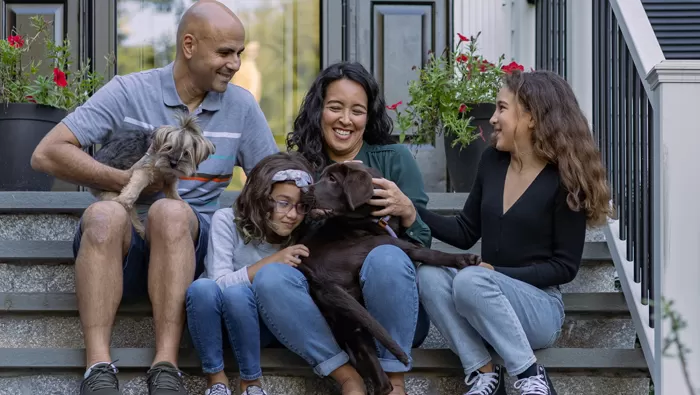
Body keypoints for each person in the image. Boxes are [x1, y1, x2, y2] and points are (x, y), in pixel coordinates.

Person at [29, 2, 278, 394]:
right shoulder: (130, 91)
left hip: (188, 249)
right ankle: (97, 367)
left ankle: (166, 367)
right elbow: (47, 152)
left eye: (239, 54)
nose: (234, 64)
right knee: (103, 214)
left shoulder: (242, 106)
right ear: (189, 45)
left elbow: (273, 181)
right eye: (225, 53)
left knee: (170, 212)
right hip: (122, 248)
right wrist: (127, 179)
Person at [416, 69, 612, 395]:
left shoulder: (564, 180)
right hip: (483, 296)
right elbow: (465, 231)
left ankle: (528, 373)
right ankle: (483, 374)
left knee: (471, 279)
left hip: (539, 308)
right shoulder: (492, 161)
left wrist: (495, 273)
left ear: (532, 117)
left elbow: (564, 267)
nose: (492, 119)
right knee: (430, 275)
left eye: (501, 108)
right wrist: (412, 211)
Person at [252, 61, 431, 395]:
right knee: (271, 277)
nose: (345, 120)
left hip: (389, 308)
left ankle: (393, 382)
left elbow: (422, 240)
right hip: (327, 314)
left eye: (357, 110)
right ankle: (348, 377)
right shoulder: (300, 166)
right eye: (335, 107)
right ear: (320, 110)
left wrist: (408, 212)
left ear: (369, 115)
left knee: (387, 257)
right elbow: (278, 234)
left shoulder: (392, 159)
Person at [185, 152, 313, 395]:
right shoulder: (227, 221)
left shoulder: (300, 237)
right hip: (212, 323)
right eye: (283, 203)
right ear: (261, 198)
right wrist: (270, 262)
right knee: (202, 288)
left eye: (301, 206)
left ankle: (251, 384)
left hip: (261, 327)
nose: (293, 214)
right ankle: (216, 380)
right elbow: (218, 283)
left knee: (238, 296)